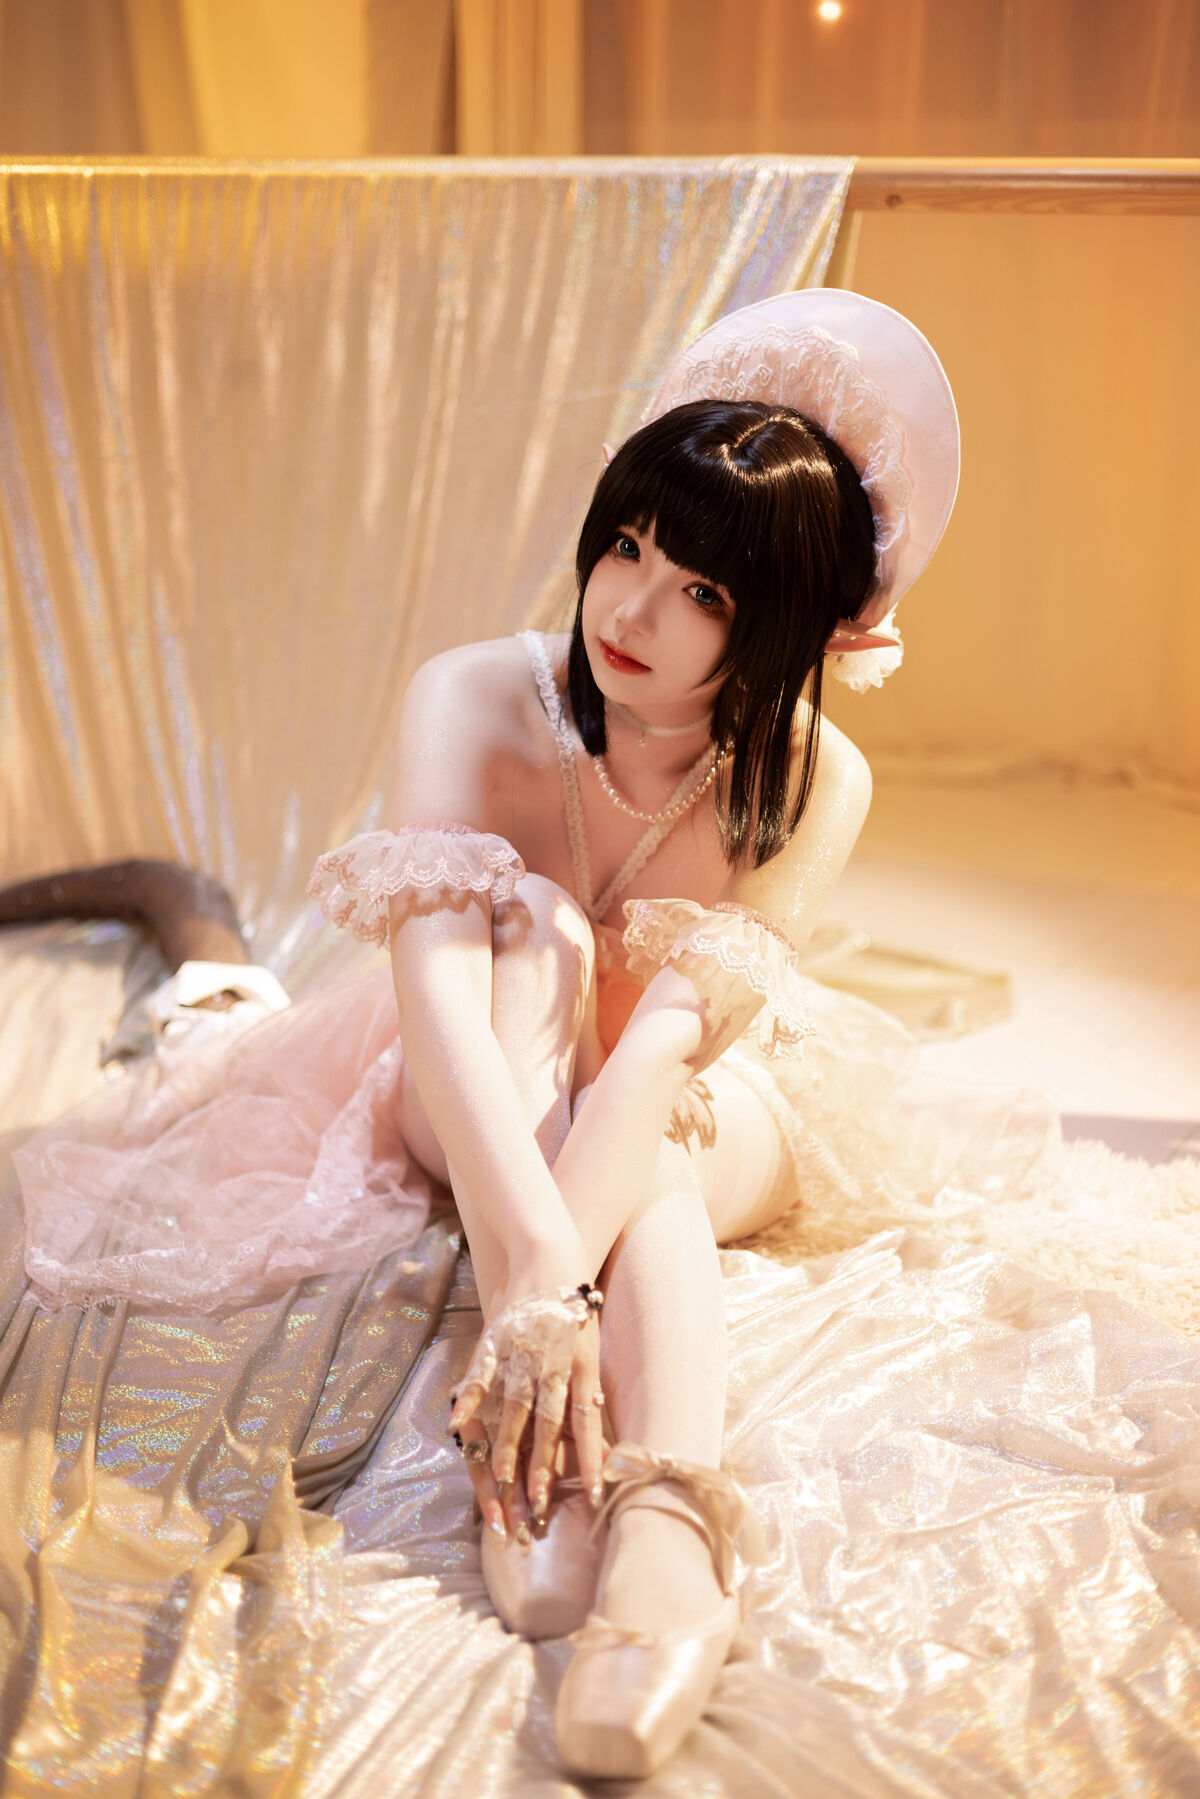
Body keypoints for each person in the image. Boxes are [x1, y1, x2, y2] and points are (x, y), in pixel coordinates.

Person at [10, 289, 960, 1779]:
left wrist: (540, 1299)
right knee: (542, 930)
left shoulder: (815, 775)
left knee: (650, 1131)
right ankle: (588, 1480)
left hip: (696, 1098)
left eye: (704, 593)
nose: (627, 611)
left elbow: (670, 1048)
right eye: (627, 546)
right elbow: (437, 995)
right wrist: (540, 1294)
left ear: (786, 624)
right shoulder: (473, 693)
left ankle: (666, 1519)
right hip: (475, 1072)